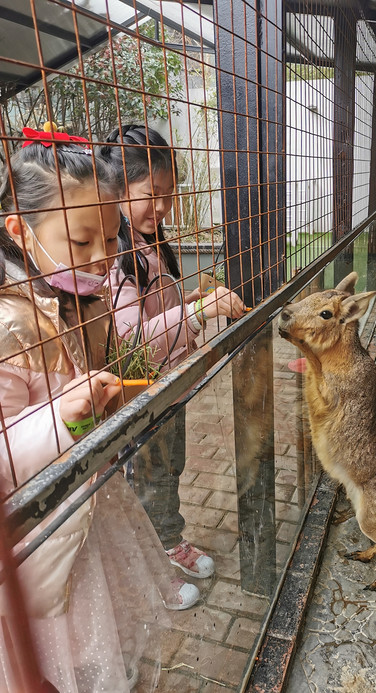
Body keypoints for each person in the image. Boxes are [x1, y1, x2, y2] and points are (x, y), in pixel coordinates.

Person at [0, 126, 186, 692]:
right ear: (19, 230)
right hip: (37, 543)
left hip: (86, 514)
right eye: (81, 243)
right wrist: (63, 416)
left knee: (102, 656)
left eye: (109, 238)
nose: (103, 258)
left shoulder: (76, 295)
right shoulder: (9, 325)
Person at [99, 124, 245, 608]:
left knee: (170, 468)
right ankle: (151, 562)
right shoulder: (116, 259)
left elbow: (159, 312)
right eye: (150, 194)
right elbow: (131, 341)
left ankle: (168, 540)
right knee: (149, 476)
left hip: (169, 388)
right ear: (117, 191)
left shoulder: (152, 244)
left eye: (168, 194)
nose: (160, 207)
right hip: (141, 393)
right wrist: (199, 312)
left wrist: (191, 299)